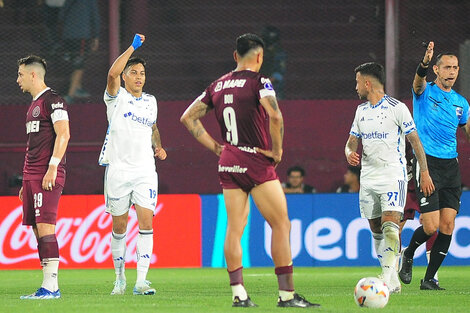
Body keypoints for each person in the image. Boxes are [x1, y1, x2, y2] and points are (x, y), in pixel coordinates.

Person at [180, 33, 319, 308]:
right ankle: (287, 295)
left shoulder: (217, 85)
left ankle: (239, 294)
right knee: (280, 224)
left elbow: (188, 117)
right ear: (260, 57)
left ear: (235, 56)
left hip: (229, 159)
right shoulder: (260, 81)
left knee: (234, 228)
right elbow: (276, 115)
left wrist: (216, 148)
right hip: (255, 159)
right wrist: (277, 152)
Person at [345, 62, 434, 294]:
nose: (355, 87)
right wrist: (349, 153)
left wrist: (424, 171)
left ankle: (385, 278)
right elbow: (351, 142)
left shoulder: (398, 108)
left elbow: (415, 141)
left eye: (357, 82)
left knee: (391, 227)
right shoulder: (360, 111)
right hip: (368, 178)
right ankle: (390, 273)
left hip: (393, 174)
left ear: (367, 82)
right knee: (375, 228)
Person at [98, 34, 167, 296]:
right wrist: (132, 48)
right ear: (126, 77)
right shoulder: (115, 98)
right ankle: (120, 279)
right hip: (118, 170)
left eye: (142, 73)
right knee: (119, 228)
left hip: (145, 171)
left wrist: (158, 146)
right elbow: (112, 73)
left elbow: (153, 126)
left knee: (146, 224)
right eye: (134, 72)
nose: (139, 77)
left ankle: (140, 281)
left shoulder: (151, 101)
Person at [399, 42, 470, 290]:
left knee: (448, 225)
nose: (451, 71)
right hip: (427, 163)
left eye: (455, 67)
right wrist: (424, 62)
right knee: (429, 226)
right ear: (437, 70)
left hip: (451, 166)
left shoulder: (461, 103)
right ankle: (408, 253)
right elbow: (418, 81)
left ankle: (429, 279)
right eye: (447, 67)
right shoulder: (424, 92)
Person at [16, 55, 70, 299]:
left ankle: (51, 287)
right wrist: (26, 179)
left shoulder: (53, 100)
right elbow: (34, 144)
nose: (18, 79)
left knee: (46, 227)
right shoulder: (33, 105)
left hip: (46, 174)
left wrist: (52, 167)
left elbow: (64, 134)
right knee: (38, 230)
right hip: (32, 176)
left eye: (20, 74)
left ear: (33, 75)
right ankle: (47, 285)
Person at [59, 0, 100, 103]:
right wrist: (96, 36)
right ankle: (70, 94)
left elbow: (61, 15)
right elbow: (95, 17)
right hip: (81, 35)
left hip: (67, 35)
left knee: (74, 61)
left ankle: (77, 87)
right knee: (79, 65)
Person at [260, 26, 286, 99]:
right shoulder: (259, 51)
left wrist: (266, 82)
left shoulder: (279, 53)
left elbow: (279, 74)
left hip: (274, 87)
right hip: (259, 84)